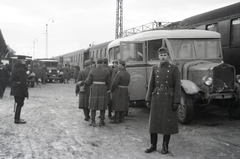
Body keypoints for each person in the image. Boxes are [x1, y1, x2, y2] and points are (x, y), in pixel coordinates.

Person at [145, 46, 181, 154]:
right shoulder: (154, 68)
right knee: (154, 123)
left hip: (168, 98)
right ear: (158, 56)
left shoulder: (174, 68)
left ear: (168, 56)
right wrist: (148, 99)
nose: (163, 57)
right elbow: (151, 84)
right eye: (161, 55)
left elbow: (178, 86)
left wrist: (176, 101)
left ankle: (165, 146)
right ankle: (153, 145)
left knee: (167, 123)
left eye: (165, 55)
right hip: (156, 97)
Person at [85, 58, 110, 127]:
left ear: (96, 63)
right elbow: (108, 82)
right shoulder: (106, 71)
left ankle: (93, 122)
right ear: (102, 63)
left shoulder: (93, 70)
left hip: (94, 89)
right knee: (102, 106)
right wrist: (106, 88)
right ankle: (101, 121)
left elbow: (88, 81)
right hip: (103, 89)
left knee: (93, 105)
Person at [10, 56, 29, 124]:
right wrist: (26, 93)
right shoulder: (22, 70)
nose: (25, 61)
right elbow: (23, 82)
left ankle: (17, 118)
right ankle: (17, 119)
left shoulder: (14, 68)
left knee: (18, 103)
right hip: (20, 88)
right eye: (24, 60)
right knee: (20, 104)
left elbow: (11, 79)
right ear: (21, 61)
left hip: (15, 87)